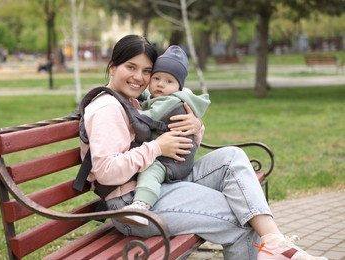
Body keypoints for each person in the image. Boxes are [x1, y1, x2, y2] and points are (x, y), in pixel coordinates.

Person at [79, 34, 328, 260]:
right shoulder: (107, 108)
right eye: (130, 67)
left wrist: (195, 125)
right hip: (131, 205)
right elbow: (106, 172)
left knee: (232, 157)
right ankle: (275, 250)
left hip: (159, 182)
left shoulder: (134, 100)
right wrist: (156, 147)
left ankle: (274, 243)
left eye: (146, 71)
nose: (139, 77)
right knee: (240, 218)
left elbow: (174, 138)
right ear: (112, 67)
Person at [119, 45, 211, 226]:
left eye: (169, 81)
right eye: (156, 78)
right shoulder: (165, 97)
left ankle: (141, 206)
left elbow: (146, 117)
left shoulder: (169, 103)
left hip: (173, 159)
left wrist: (127, 108)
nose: (160, 84)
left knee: (150, 171)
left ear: (178, 87)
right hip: (176, 155)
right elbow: (147, 96)